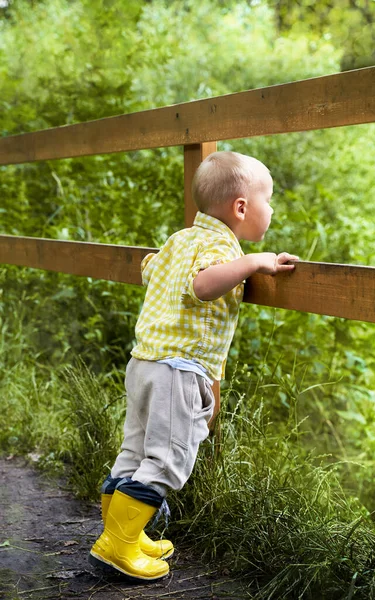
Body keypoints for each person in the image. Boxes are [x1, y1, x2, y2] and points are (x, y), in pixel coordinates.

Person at [89, 151, 298, 582]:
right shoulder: (223, 246)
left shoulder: (181, 238)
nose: (272, 209)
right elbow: (204, 285)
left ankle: (124, 532)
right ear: (241, 207)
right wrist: (256, 263)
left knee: (134, 454)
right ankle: (117, 547)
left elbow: (151, 271)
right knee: (167, 461)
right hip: (177, 372)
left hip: (145, 363)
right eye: (269, 200)